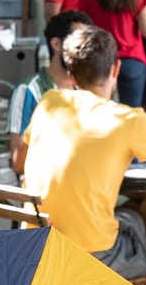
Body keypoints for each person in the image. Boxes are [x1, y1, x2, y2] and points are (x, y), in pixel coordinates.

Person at [21, 26, 146, 281]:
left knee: (136, 213)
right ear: (116, 68)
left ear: (70, 74)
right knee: (143, 244)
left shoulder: (49, 102)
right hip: (91, 252)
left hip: (35, 243)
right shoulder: (129, 120)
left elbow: (20, 161)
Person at [8, 9, 91, 174]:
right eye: (79, 43)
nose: (86, 51)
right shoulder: (28, 91)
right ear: (56, 44)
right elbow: (18, 163)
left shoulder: (87, 89)